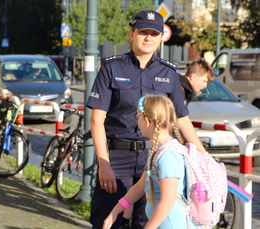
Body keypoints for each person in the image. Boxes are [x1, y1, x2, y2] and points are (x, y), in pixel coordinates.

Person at [86, 10, 206, 229]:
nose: (148, 37)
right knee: (106, 220)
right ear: (132, 34)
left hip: (152, 156)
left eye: (154, 33)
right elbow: (96, 120)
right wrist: (104, 164)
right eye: (143, 32)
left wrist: (203, 155)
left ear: (161, 39)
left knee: (147, 221)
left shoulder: (169, 73)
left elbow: (181, 118)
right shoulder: (111, 68)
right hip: (116, 157)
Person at [102, 94, 197, 229]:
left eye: (138, 117)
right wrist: (115, 211)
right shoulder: (157, 150)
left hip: (171, 224)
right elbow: (140, 187)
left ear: (148, 121)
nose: (137, 122)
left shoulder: (169, 155)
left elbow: (167, 201)